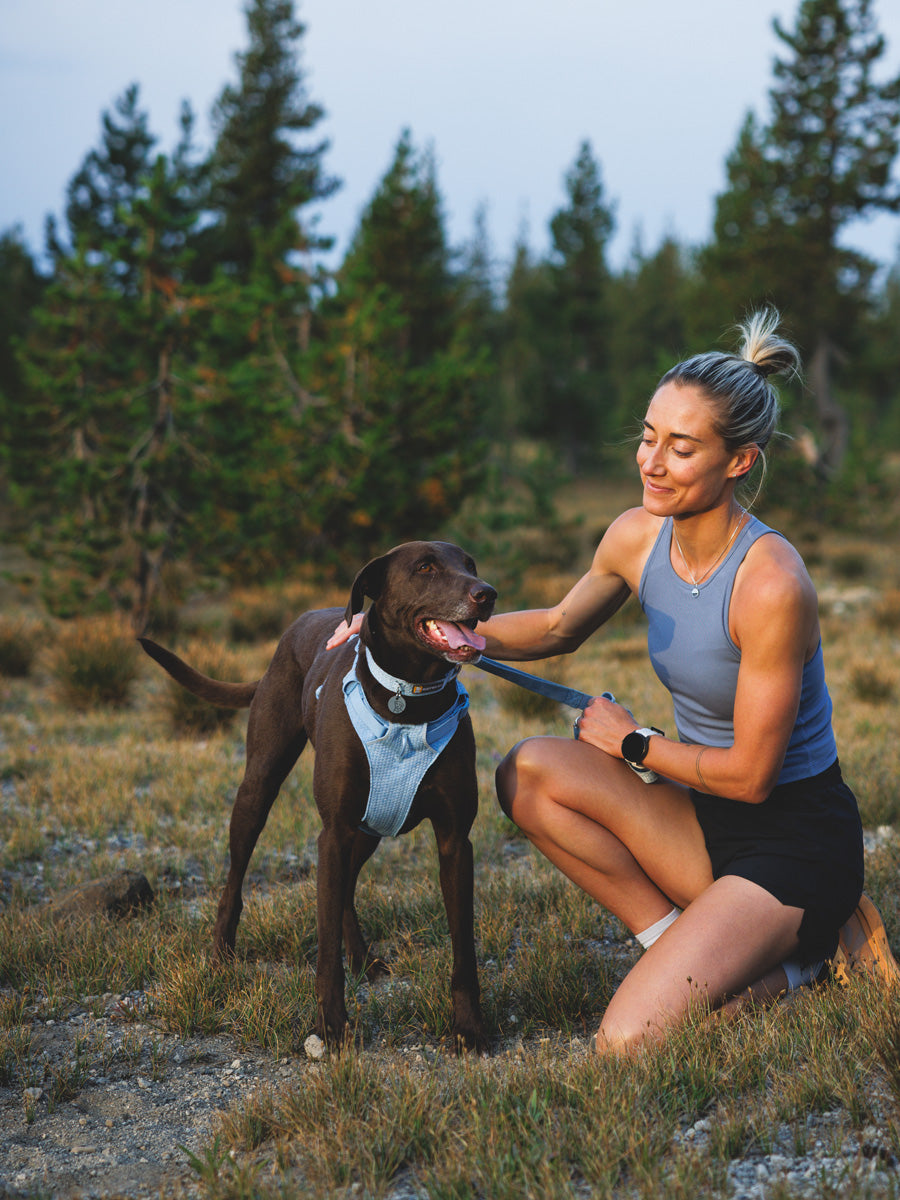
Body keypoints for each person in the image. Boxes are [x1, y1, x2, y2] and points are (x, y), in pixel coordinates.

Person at [328, 309, 898, 1053]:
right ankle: (676, 944)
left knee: (627, 1042)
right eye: (649, 436)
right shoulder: (636, 535)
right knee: (527, 773)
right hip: (703, 817)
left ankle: (809, 956)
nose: (652, 462)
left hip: (792, 838)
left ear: (740, 462)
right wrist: (415, 628)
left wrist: (632, 744)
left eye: (682, 447)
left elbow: (755, 778)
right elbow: (560, 626)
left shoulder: (770, 583)